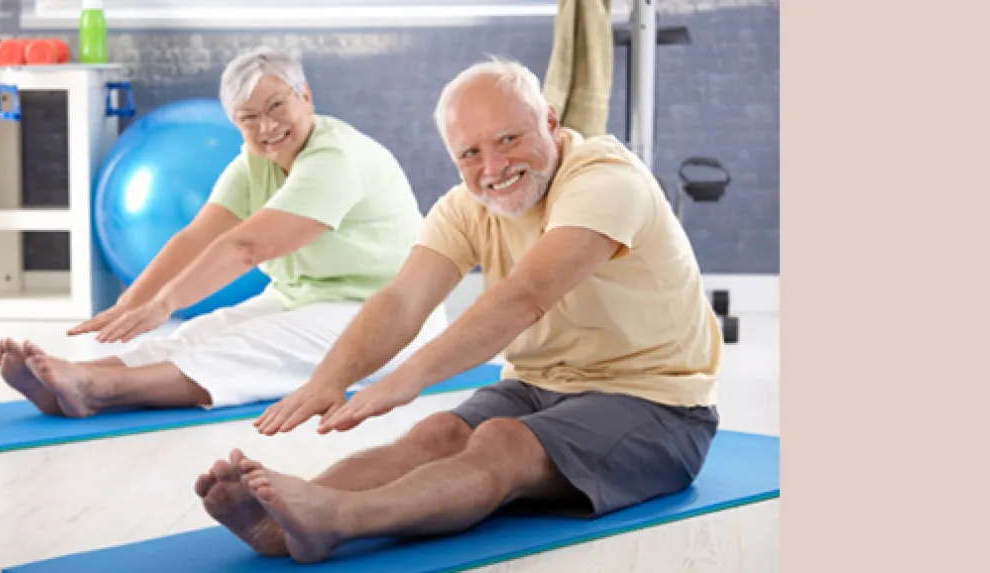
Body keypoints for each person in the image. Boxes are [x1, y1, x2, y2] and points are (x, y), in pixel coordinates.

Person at [193, 57, 724, 563]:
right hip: (540, 386)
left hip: (659, 406)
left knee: (502, 440)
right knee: (436, 435)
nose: (493, 167)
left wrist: (406, 378)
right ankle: (280, 524)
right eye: (470, 153)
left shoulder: (605, 181)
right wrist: (330, 379)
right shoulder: (465, 207)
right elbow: (403, 299)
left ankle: (338, 519)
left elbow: (526, 295)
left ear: (550, 121)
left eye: (509, 139)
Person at [0, 46, 447, 418]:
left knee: (252, 346)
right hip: (306, 298)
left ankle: (99, 390)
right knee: (202, 332)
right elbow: (195, 238)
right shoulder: (254, 164)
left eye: (277, 106)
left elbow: (247, 247)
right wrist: (130, 304)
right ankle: (75, 378)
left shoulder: (335, 158)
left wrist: (165, 303)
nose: (267, 127)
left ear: (305, 96)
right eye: (249, 117)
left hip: (393, 316)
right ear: (235, 123)